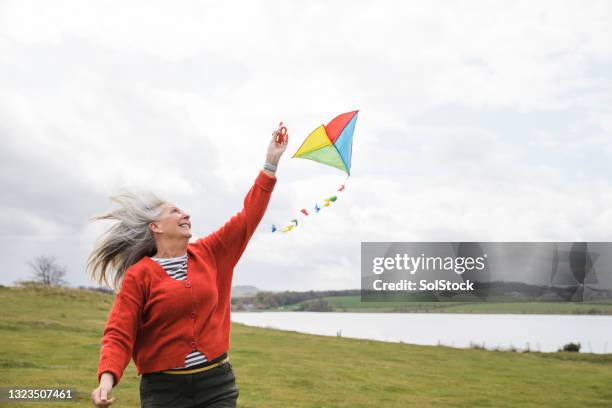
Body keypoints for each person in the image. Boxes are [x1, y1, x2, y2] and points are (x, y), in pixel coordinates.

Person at [88, 126, 288, 407]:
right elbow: (120, 331)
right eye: (175, 211)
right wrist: (106, 381)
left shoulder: (211, 253)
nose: (186, 214)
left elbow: (249, 216)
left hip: (216, 385)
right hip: (164, 392)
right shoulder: (140, 275)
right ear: (155, 227)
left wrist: (271, 162)